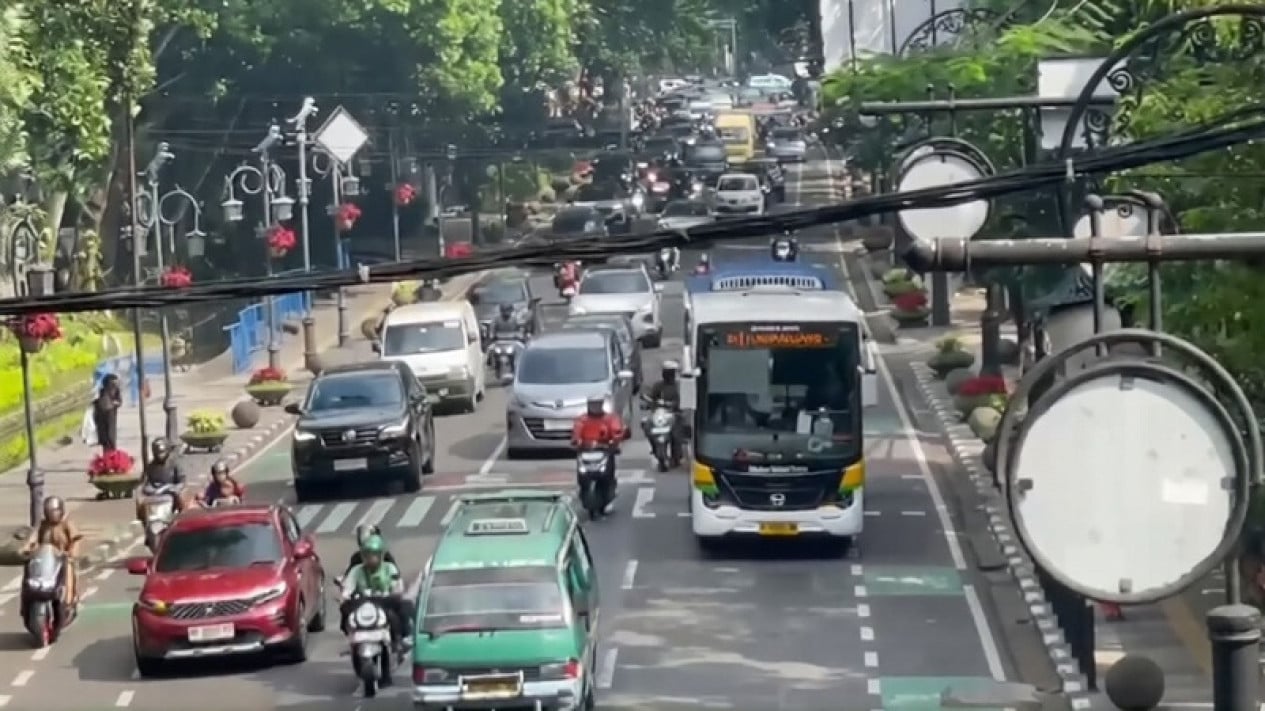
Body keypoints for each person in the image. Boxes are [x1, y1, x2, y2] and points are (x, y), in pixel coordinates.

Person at [340, 534, 413, 650]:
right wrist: (345, 595)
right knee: (345, 609)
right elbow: (348, 587)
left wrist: (395, 592)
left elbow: (397, 586)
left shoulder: (389, 568)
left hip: (384, 602)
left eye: (374, 555)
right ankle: (351, 637)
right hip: (363, 603)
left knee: (398, 612)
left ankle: (399, 639)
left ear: (381, 555)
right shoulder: (356, 570)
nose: (371, 559)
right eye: (367, 555)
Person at [23, 496, 81, 608]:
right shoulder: (44, 524)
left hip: (62, 557)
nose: (53, 514)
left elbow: (76, 539)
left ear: (61, 510)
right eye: (50, 512)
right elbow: (34, 538)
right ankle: (26, 605)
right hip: (46, 558)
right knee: (28, 571)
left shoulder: (66, 523)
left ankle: (69, 600)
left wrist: (71, 552)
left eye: (55, 511)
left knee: (69, 569)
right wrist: (28, 547)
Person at [571, 395, 625, 509]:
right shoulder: (582, 419)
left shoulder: (610, 418)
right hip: (586, 452)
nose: (594, 407)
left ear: (601, 405)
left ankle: (609, 491)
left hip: (604, 451)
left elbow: (617, 432)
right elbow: (576, 433)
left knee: (608, 473)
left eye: (597, 404)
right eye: (592, 404)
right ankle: (583, 491)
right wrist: (576, 442)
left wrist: (614, 442)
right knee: (582, 476)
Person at [643, 361, 684, 463]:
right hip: (660, 415)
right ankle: (654, 447)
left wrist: (673, 405)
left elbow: (682, 400)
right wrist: (648, 403)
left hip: (674, 414)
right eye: (666, 372)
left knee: (677, 432)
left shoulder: (678, 386)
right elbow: (651, 397)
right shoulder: (658, 385)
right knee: (646, 425)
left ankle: (676, 454)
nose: (668, 375)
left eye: (670, 372)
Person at [136, 438, 187, 521]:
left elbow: (182, 481)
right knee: (140, 500)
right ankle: (143, 521)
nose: (160, 455)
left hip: (170, 491)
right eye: (157, 452)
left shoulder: (174, 464)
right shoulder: (151, 466)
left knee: (180, 497)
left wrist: (174, 488)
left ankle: (183, 517)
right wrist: (141, 490)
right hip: (153, 491)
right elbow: (144, 481)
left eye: (162, 452)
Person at [92, 374, 121, 453]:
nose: (114, 385)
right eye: (112, 383)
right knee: (104, 437)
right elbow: (94, 402)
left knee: (111, 436)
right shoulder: (101, 391)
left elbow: (119, 401)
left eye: (115, 383)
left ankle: (112, 453)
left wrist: (115, 403)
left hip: (110, 414)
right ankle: (107, 454)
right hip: (101, 415)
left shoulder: (116, 390)